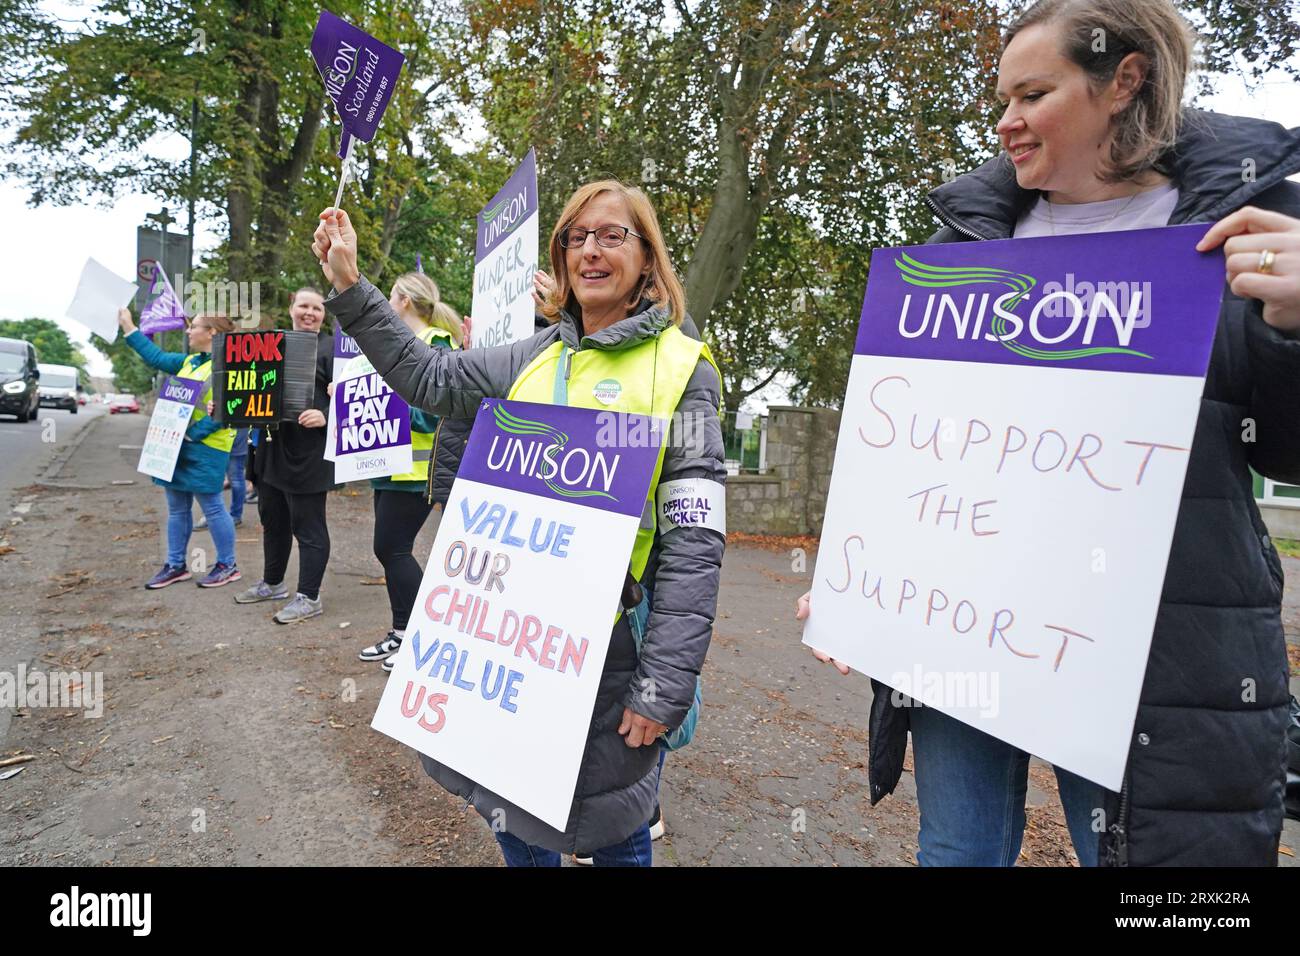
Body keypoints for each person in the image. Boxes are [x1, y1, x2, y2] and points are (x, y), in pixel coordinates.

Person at [802, 0, 1300, 867]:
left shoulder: (1247, 229)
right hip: (961, 629)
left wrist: (1296, 331)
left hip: (1151, 659)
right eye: (1001, 98)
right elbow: (919, 450)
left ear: (1124, 81)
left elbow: (1286, 454)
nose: (1006, 121)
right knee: (956, 850)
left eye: (1033, 93)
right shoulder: (962, 241)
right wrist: (860, 581)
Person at [313, 180, 727, 866]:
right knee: (511, 815)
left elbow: (694, 544)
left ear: (648, 257)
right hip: (508, 639)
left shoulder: (682, 369)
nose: (590, 250)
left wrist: (664, 683)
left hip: (608, 651)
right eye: (575, 237)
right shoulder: (535, 355)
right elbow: (430, 376)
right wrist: (352, 287)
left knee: (612, 826)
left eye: (611, 235)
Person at [349, 273, 463, 669]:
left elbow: (438, 413)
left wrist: (386, 403)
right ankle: (402, 632)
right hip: (386, 465)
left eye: (390, 296)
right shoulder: (393, 348)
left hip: (417, 470)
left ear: (402, 302)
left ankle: (415, 638)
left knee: (391, 548)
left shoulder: (436, 344)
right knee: (389, 549)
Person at [116, 307, 241, 589]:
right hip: (176, 446)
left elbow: (228, 411)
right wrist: (128, 326)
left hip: (207, 448)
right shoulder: (190, 362)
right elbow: (156, 357)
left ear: (211, 333)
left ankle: (227, 564)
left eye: (194, 326)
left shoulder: (230, 366)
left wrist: (193, 435)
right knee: (176, 509)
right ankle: (175, 565)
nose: (188, 330)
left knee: (212, 507)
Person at [234, 288, 336, 624]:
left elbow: (358, 397)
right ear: (291, 308)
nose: (310, 313)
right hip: (270, 449)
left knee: (308, 526)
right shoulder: (271, 345)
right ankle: (273, 583)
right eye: (304, 306)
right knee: (272, 519)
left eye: (317, 308)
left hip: (310, 453)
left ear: (325, 314)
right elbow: (248, 386)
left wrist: (326, 413)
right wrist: (226, 404)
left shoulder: (333, 349)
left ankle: (309, 597)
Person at [196, 426, 248, 529]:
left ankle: (233, 515)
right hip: (219, 435)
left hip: (232, 432)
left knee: (236, 477)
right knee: (230, 477)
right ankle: (214, 516)